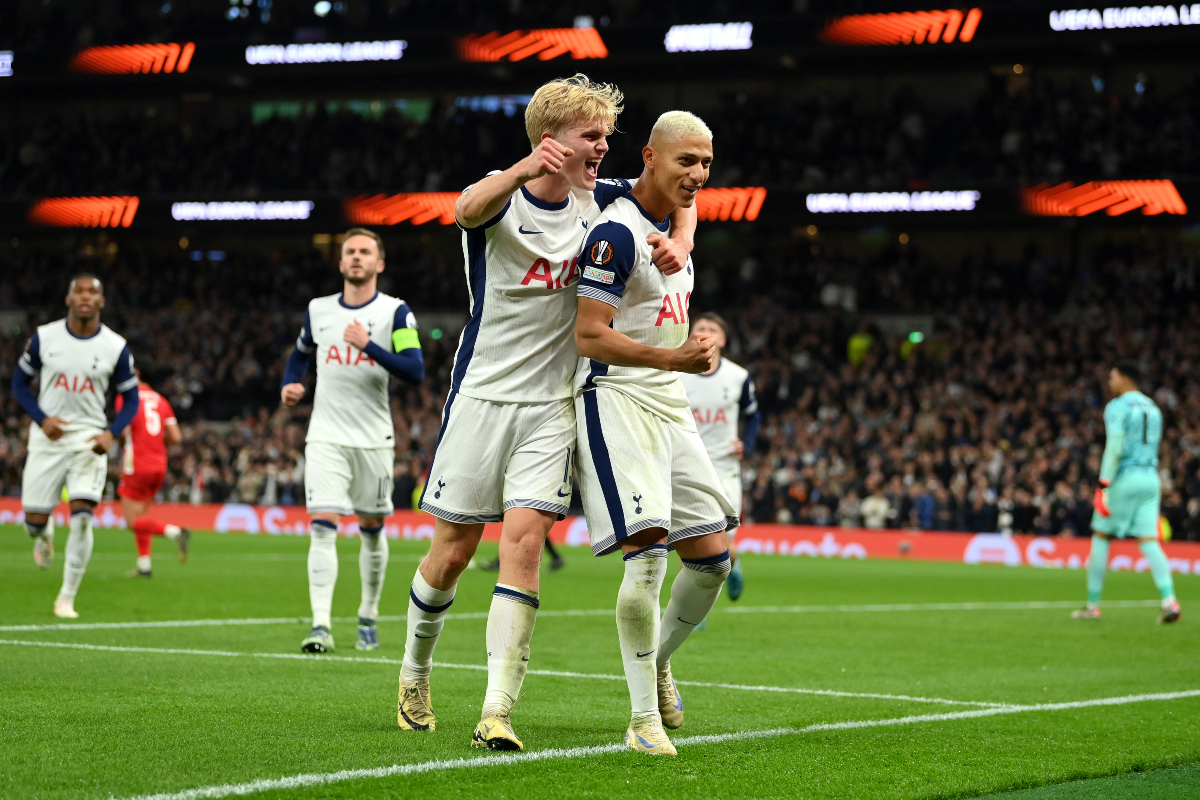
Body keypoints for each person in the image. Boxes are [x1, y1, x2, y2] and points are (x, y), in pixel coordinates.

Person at [397, 74, 695, 752]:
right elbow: (464, 209)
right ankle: (415, 670)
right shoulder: (504, 198)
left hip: (553, 405)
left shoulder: (607, 202)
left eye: (606, 136)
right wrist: (526, 167)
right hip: (481, 396)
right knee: (451, 552)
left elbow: (674, 198)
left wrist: (683, 233)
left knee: (524, 545)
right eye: (590, 136)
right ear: (550, 140)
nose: (603, 147)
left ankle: (497, 709)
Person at [573, 110, 732, 756]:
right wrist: (674, 359)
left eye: (706, 163)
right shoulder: (613, 234)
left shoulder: (676, 224)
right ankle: (642, 721)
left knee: (713, 560)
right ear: (649, 156)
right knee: (649, 558)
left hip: (667, 399)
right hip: (617, 394)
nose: (697, 175)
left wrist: (687, 238)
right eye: (685, 161)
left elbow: (681, 216)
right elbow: (588, 334)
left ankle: (658, 659)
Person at [281, 228, 425, 653]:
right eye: (350, 252)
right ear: (341, 263)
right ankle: (320, 625)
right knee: (322, 527)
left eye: (366, 252)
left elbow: (413, 369)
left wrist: (368, 346)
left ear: (379, 264)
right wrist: (291, 383)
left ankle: (368, 614)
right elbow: (300, 354)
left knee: (371, 526)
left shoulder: (395, 313)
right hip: (325, 435)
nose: (357, 258)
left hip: (374, 439)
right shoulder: (319, 310)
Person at [11, 274, 139, 618]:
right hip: (48, 438)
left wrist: (111, 433)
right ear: (68, 299)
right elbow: (20, 383)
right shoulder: (44, 337)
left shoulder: (115, 346)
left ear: (102, 302)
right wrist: (42, 418)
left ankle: (66, 598)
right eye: (79, 291)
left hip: (89, 440)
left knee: (83, 517)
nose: (85, 296)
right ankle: (43, 533)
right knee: (33, 521)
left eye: (93, 292)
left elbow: (131, 400)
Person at [1073, 361, 1181, 624]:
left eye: (1113, 377)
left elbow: (1115, 447)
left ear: (1125, 379)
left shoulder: (1118, 406)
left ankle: (1093, 606)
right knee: (1149, 541)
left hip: (1126, 478)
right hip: (1150, 479)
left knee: (1101, 535)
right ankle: (1170, 601)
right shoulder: (1153, 408)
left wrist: (1103, 484)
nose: (1109, 383)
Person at [678, 312, 760, 604]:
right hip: (686, 465)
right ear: (691, 334)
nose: (706, 331)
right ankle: (691, 607)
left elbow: (753, 417)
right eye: (700, 327)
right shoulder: (676, 372)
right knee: (687, 538)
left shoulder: (738, 376)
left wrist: (746, 445)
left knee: (723, 543)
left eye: (713, 328)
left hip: (725, 468)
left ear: (722, 340)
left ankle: (734, 566)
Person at [117, 371, 190, 577]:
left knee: (133, 521)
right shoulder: (162, 401)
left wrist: (123, 442)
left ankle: (175, 532)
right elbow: (176, 437)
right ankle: (144, 566)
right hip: (159, 465)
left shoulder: (126, 396)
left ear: (136, 373)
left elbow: (123, 431)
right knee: (142, 516)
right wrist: (156, 443)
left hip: (137, 465)